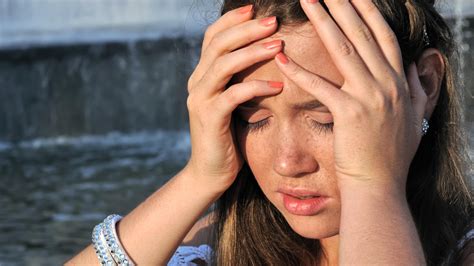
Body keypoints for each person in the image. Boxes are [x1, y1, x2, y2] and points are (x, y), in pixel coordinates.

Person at [67, 0, 473, 265]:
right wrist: (199, 178)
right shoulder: (212, 246)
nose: (288, 162)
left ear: (427, 85)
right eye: (253, 119)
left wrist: (372, 184)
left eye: (327, 118)